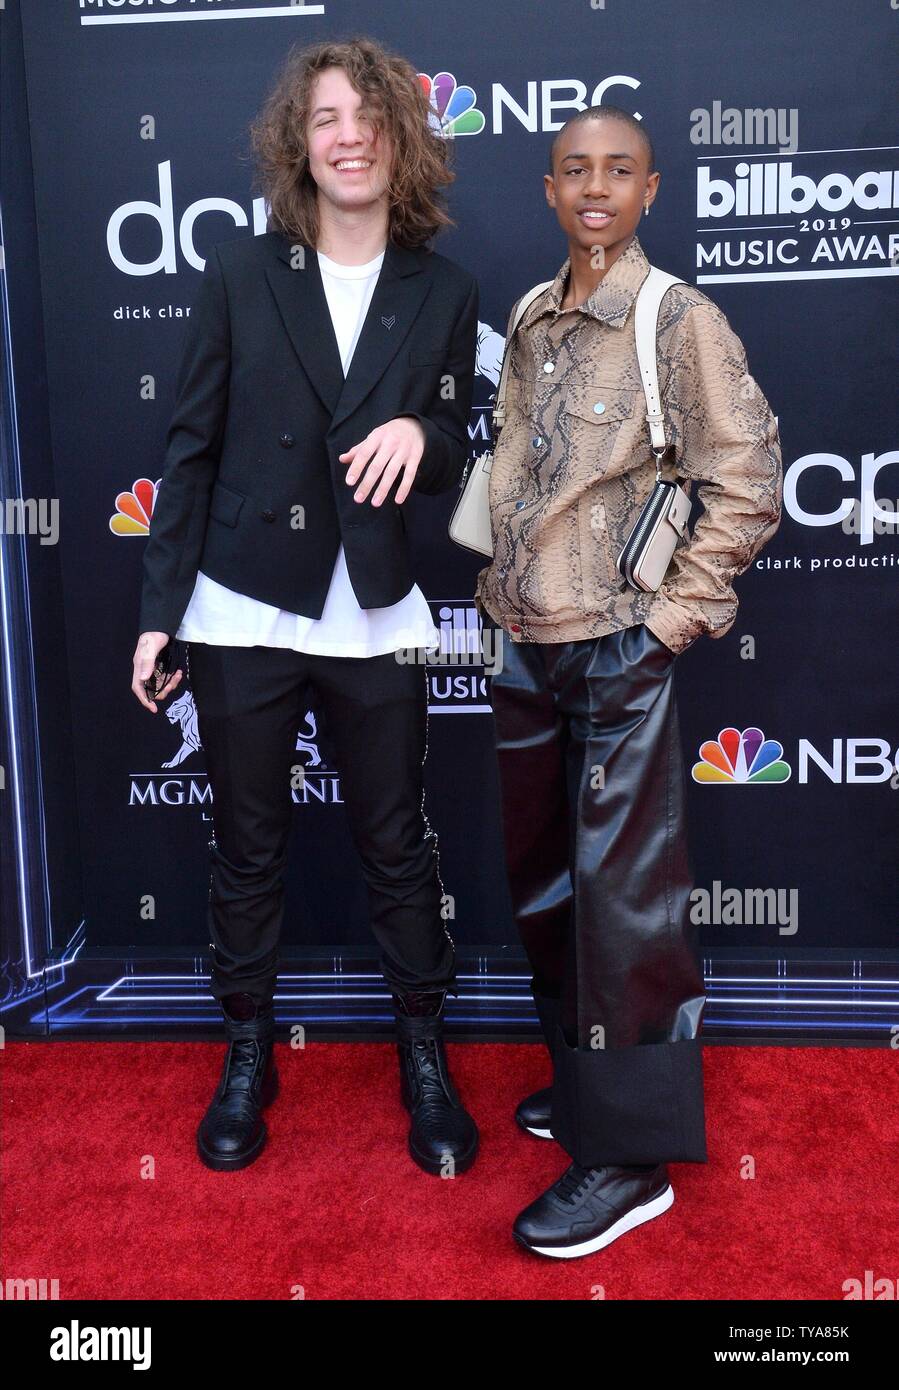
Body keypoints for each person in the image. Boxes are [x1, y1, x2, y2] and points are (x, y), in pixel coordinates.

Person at [130, 38, 480, 1177]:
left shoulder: (445, 286)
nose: (349, 134)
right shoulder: (240, 271)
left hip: (371, 605)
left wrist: (421, 435)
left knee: (395, 843)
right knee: (247, 847)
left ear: (398, 137)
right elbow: (187, 455)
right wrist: (158, 610)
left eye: (368, 114)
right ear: (300, 142)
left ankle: (422, 1053)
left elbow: (449, 445)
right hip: (241, 607)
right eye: (326, 117)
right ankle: (247, 1052)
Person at [474, 105, 783, 1258]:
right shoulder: (524, 317)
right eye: (573, 170)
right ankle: (591, 1089)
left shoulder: (675, 318)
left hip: (616, 644)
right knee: (546, 884)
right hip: (521, 640)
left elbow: (747, 480)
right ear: (547, 189)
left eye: (618, 170)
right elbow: (512, 467)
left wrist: (663, 626)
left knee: (623, 903)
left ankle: (631, 1157)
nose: (594, 187)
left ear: (651, 189)